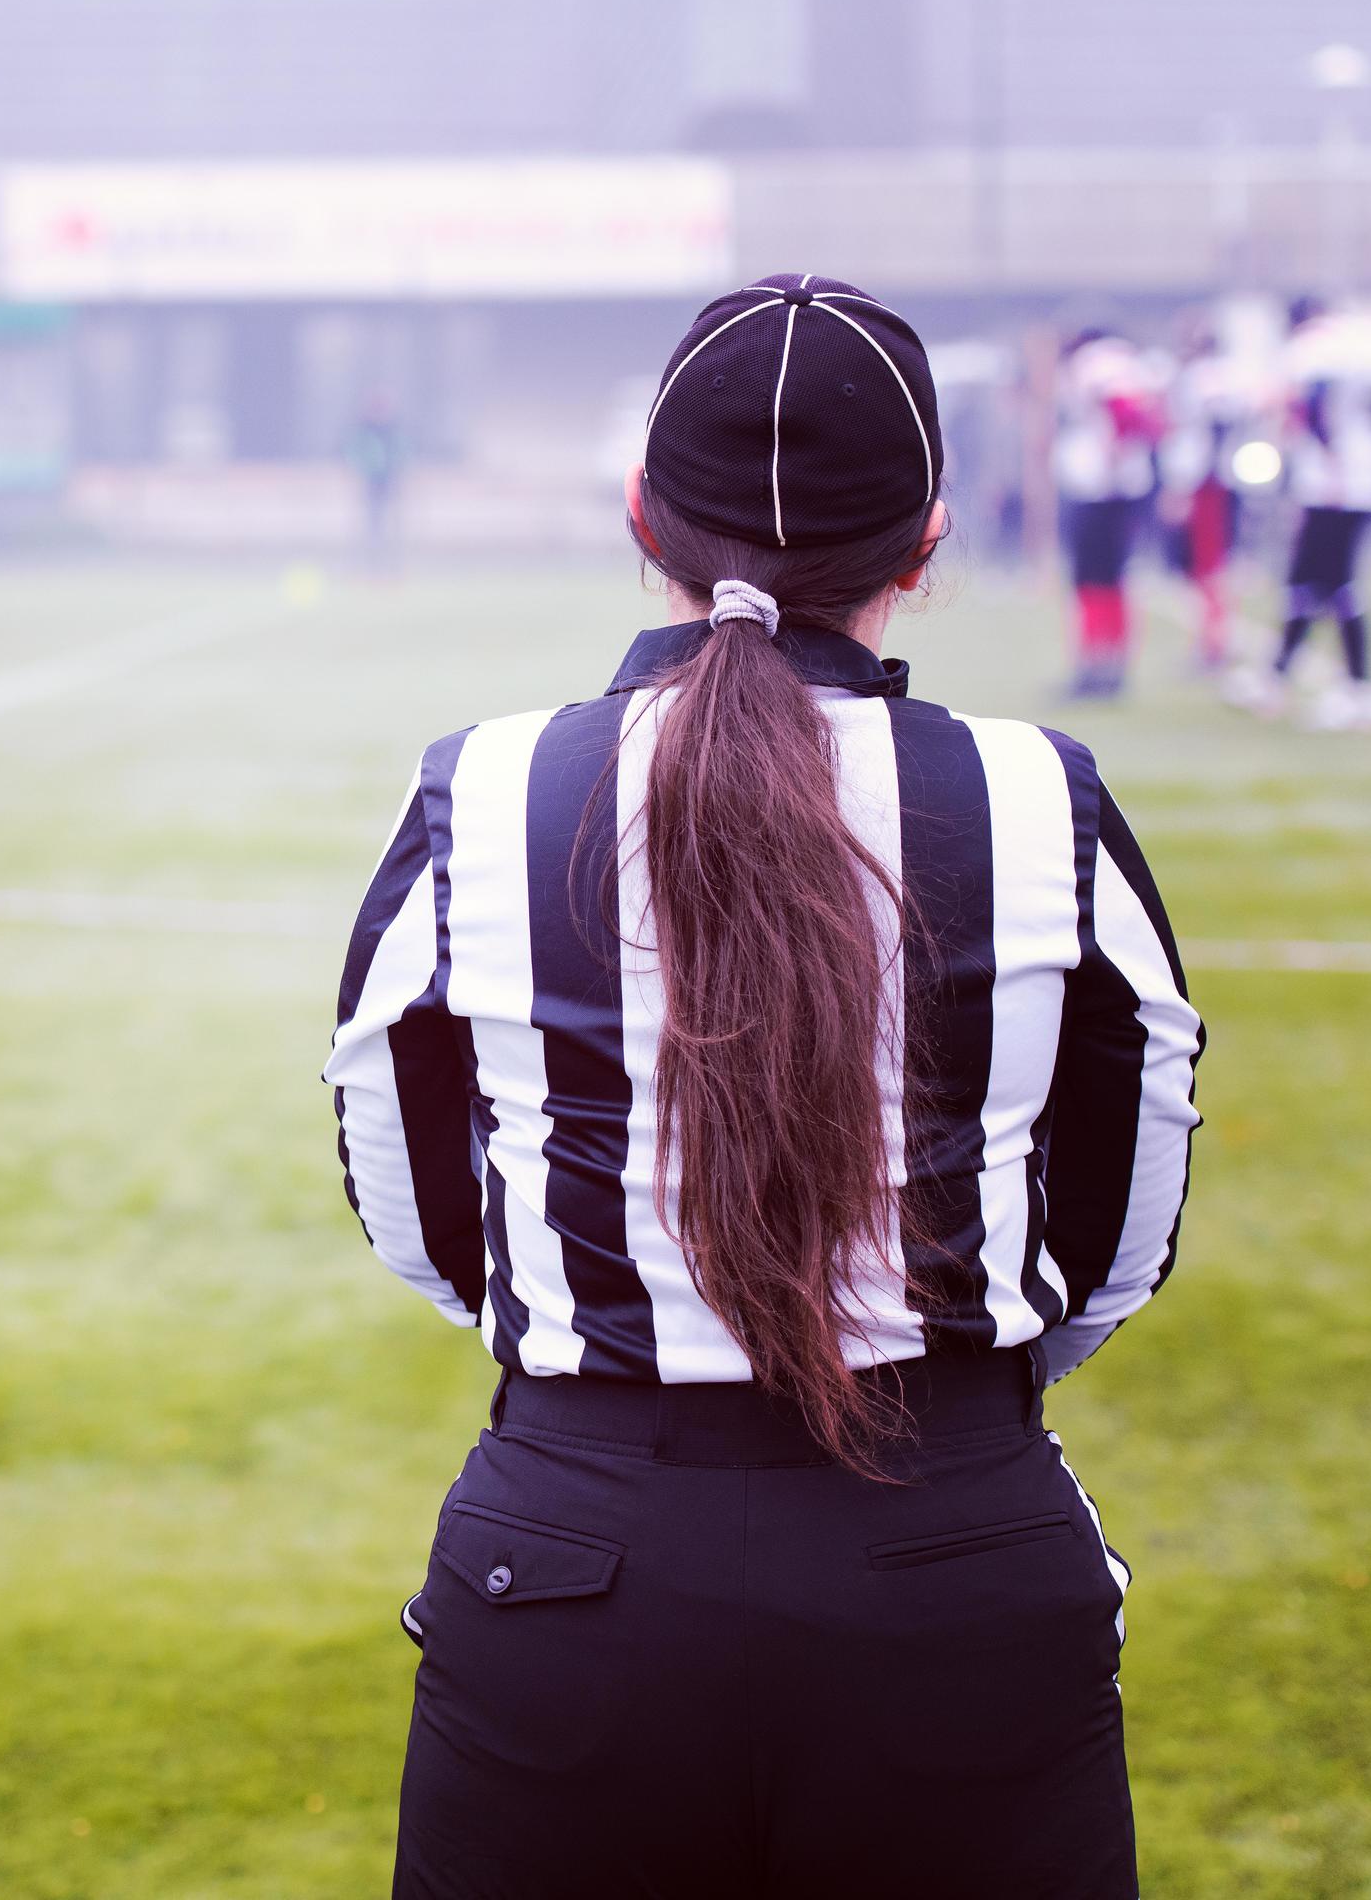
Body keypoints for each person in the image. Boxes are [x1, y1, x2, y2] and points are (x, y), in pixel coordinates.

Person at [326, 273, 1204, 1897]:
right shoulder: (1037, 793)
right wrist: (957, 1381)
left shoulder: (487, 780)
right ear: (927, 540)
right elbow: (1129, 1200)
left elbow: (406, 1181)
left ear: (642, 517)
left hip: (579, 1551)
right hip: (951, 1539)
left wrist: (592, 1344)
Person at [1224, 294, 1371, 730]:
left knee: (1330, 582)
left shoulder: (1312, 350)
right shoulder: (1367, 342)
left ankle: (1357, 689)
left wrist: (1330, 459)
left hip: (1332, 478)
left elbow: (1312, 405)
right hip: (1367, 472)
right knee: (1311, 579)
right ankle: (1279, 675)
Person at [1051, 326, 1162, 697]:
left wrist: (1113, 454)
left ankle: (1095, 664)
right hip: (1121, 487)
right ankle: (1112, 665)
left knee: (1092, 579)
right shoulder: (1130, 362)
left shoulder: (1098, 364)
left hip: (1101, 489)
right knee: (1113, 577)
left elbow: (1122, 411)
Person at [1158, 316, 1251, 668]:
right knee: (1207, 567)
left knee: (1207, 567)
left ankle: (1214, 643)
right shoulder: (1219, 377)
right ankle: (1212, 640)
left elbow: (1213, 433)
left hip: (1206, 485)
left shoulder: (1204, 379)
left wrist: (1186, 486)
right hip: (1214, 481)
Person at [346, 392, 406, 574]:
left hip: (390, 482)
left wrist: (399, 474)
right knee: (371, 527)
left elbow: (402, 454)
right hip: (370, 483)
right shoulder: (364, 431)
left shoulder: (393, 431)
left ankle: (392, 567)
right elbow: (354, 454)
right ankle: (370, 566)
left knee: (393, 526)